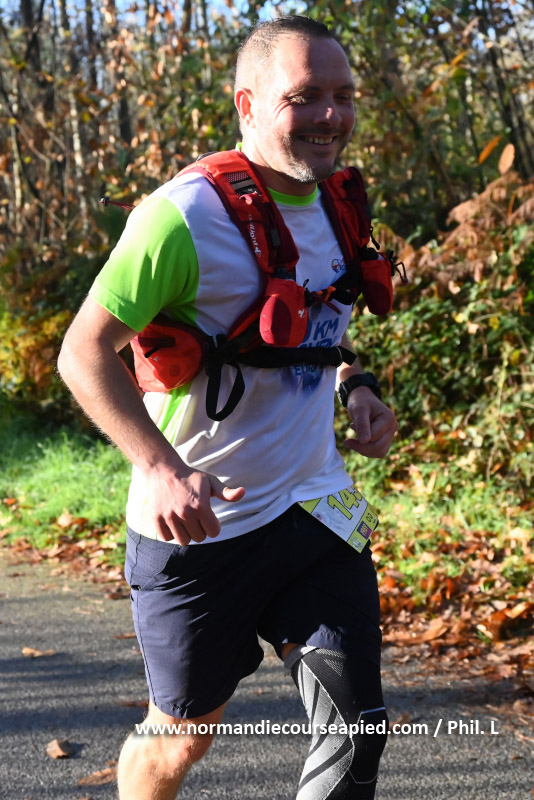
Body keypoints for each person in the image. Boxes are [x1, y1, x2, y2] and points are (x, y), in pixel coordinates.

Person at [58, 15, 398, 800]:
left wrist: (357, 386)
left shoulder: (342, 204)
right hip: (202, 529)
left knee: (357, 731)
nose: (331, 115)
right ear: (247, 104)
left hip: (314, 509)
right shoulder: (183, 216)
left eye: (344, 95)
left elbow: (316, 326)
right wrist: (158, 468)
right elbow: (82, 353)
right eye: (305, 97)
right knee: (181, 739)